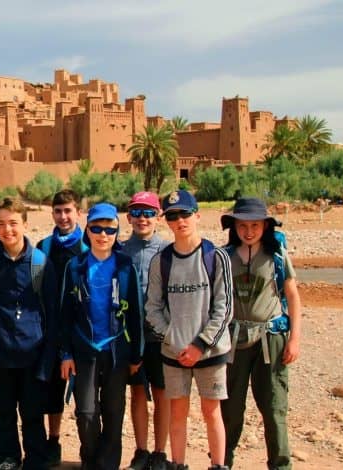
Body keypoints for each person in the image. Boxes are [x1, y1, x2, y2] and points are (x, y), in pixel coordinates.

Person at [145, 190, 232, 470]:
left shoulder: (215, 257)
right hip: (174, 353)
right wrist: (175, 339)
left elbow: (224, 308)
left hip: (210, 352)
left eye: (184, 214)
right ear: (167, 221)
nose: (180, 221)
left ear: (197, 215)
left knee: (211, 411)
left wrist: (200, 345)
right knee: (178, 412)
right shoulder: (162, 261)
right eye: (172, 216)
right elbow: (152, 308)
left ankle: (218, 465)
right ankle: (178, 464)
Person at [219, 198, 303, 470]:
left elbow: (292, 295)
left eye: (255, 225)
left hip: (271, 339)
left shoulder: (277, 255)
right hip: (234, 340)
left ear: (265, 226)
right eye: (243, 225)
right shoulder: (225, 257)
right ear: (235, 226)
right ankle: (223, 461)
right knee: (230, 408)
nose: (249, 231)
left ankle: (280, 465)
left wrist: (295, 339)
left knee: (274, 407)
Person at [58, 202, 143, 469]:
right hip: (85, 350)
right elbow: (65, 314)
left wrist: (137, 354)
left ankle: (107, 464)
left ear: (117, 231)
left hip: (117, 351)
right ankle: (91, 459)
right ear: (88, 230)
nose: (103, 234)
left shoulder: (126, 266)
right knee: (86, 412)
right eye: (97, 228)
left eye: (109, 229)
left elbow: (136, 314)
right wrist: (66, 353)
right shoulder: (75, 266)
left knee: (114, 411)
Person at [0, 197, 58, 470]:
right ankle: (8, 457)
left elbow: (53, 317)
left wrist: (47, 361)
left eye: (13, 223)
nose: (7, 230)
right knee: (2, 414)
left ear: (24, 224)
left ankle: (36, 459)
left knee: (33, 415)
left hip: (33, 357)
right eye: (1, 224)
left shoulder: (40, 264)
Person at [36, 189, 87, 466]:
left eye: (68, 211)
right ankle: (53, 440)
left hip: (83, 333)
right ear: (52, 213)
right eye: (58, 211)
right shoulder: (44, 247)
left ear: (77, 212)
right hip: (52, 332)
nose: (63, 216)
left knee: (86, 396)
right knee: (53, 392)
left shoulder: (89, 245)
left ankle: (87, 446)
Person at [121, 191, 171, 470]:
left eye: (149, 212)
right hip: (132, 336)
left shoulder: (167, 251)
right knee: (137, 392)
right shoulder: (121, 251)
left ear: (158, 217)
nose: (143, 218)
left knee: (161, 392)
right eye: (138, 213)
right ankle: (141, 451)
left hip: (159, 336)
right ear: (129, 217)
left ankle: (159, 453)